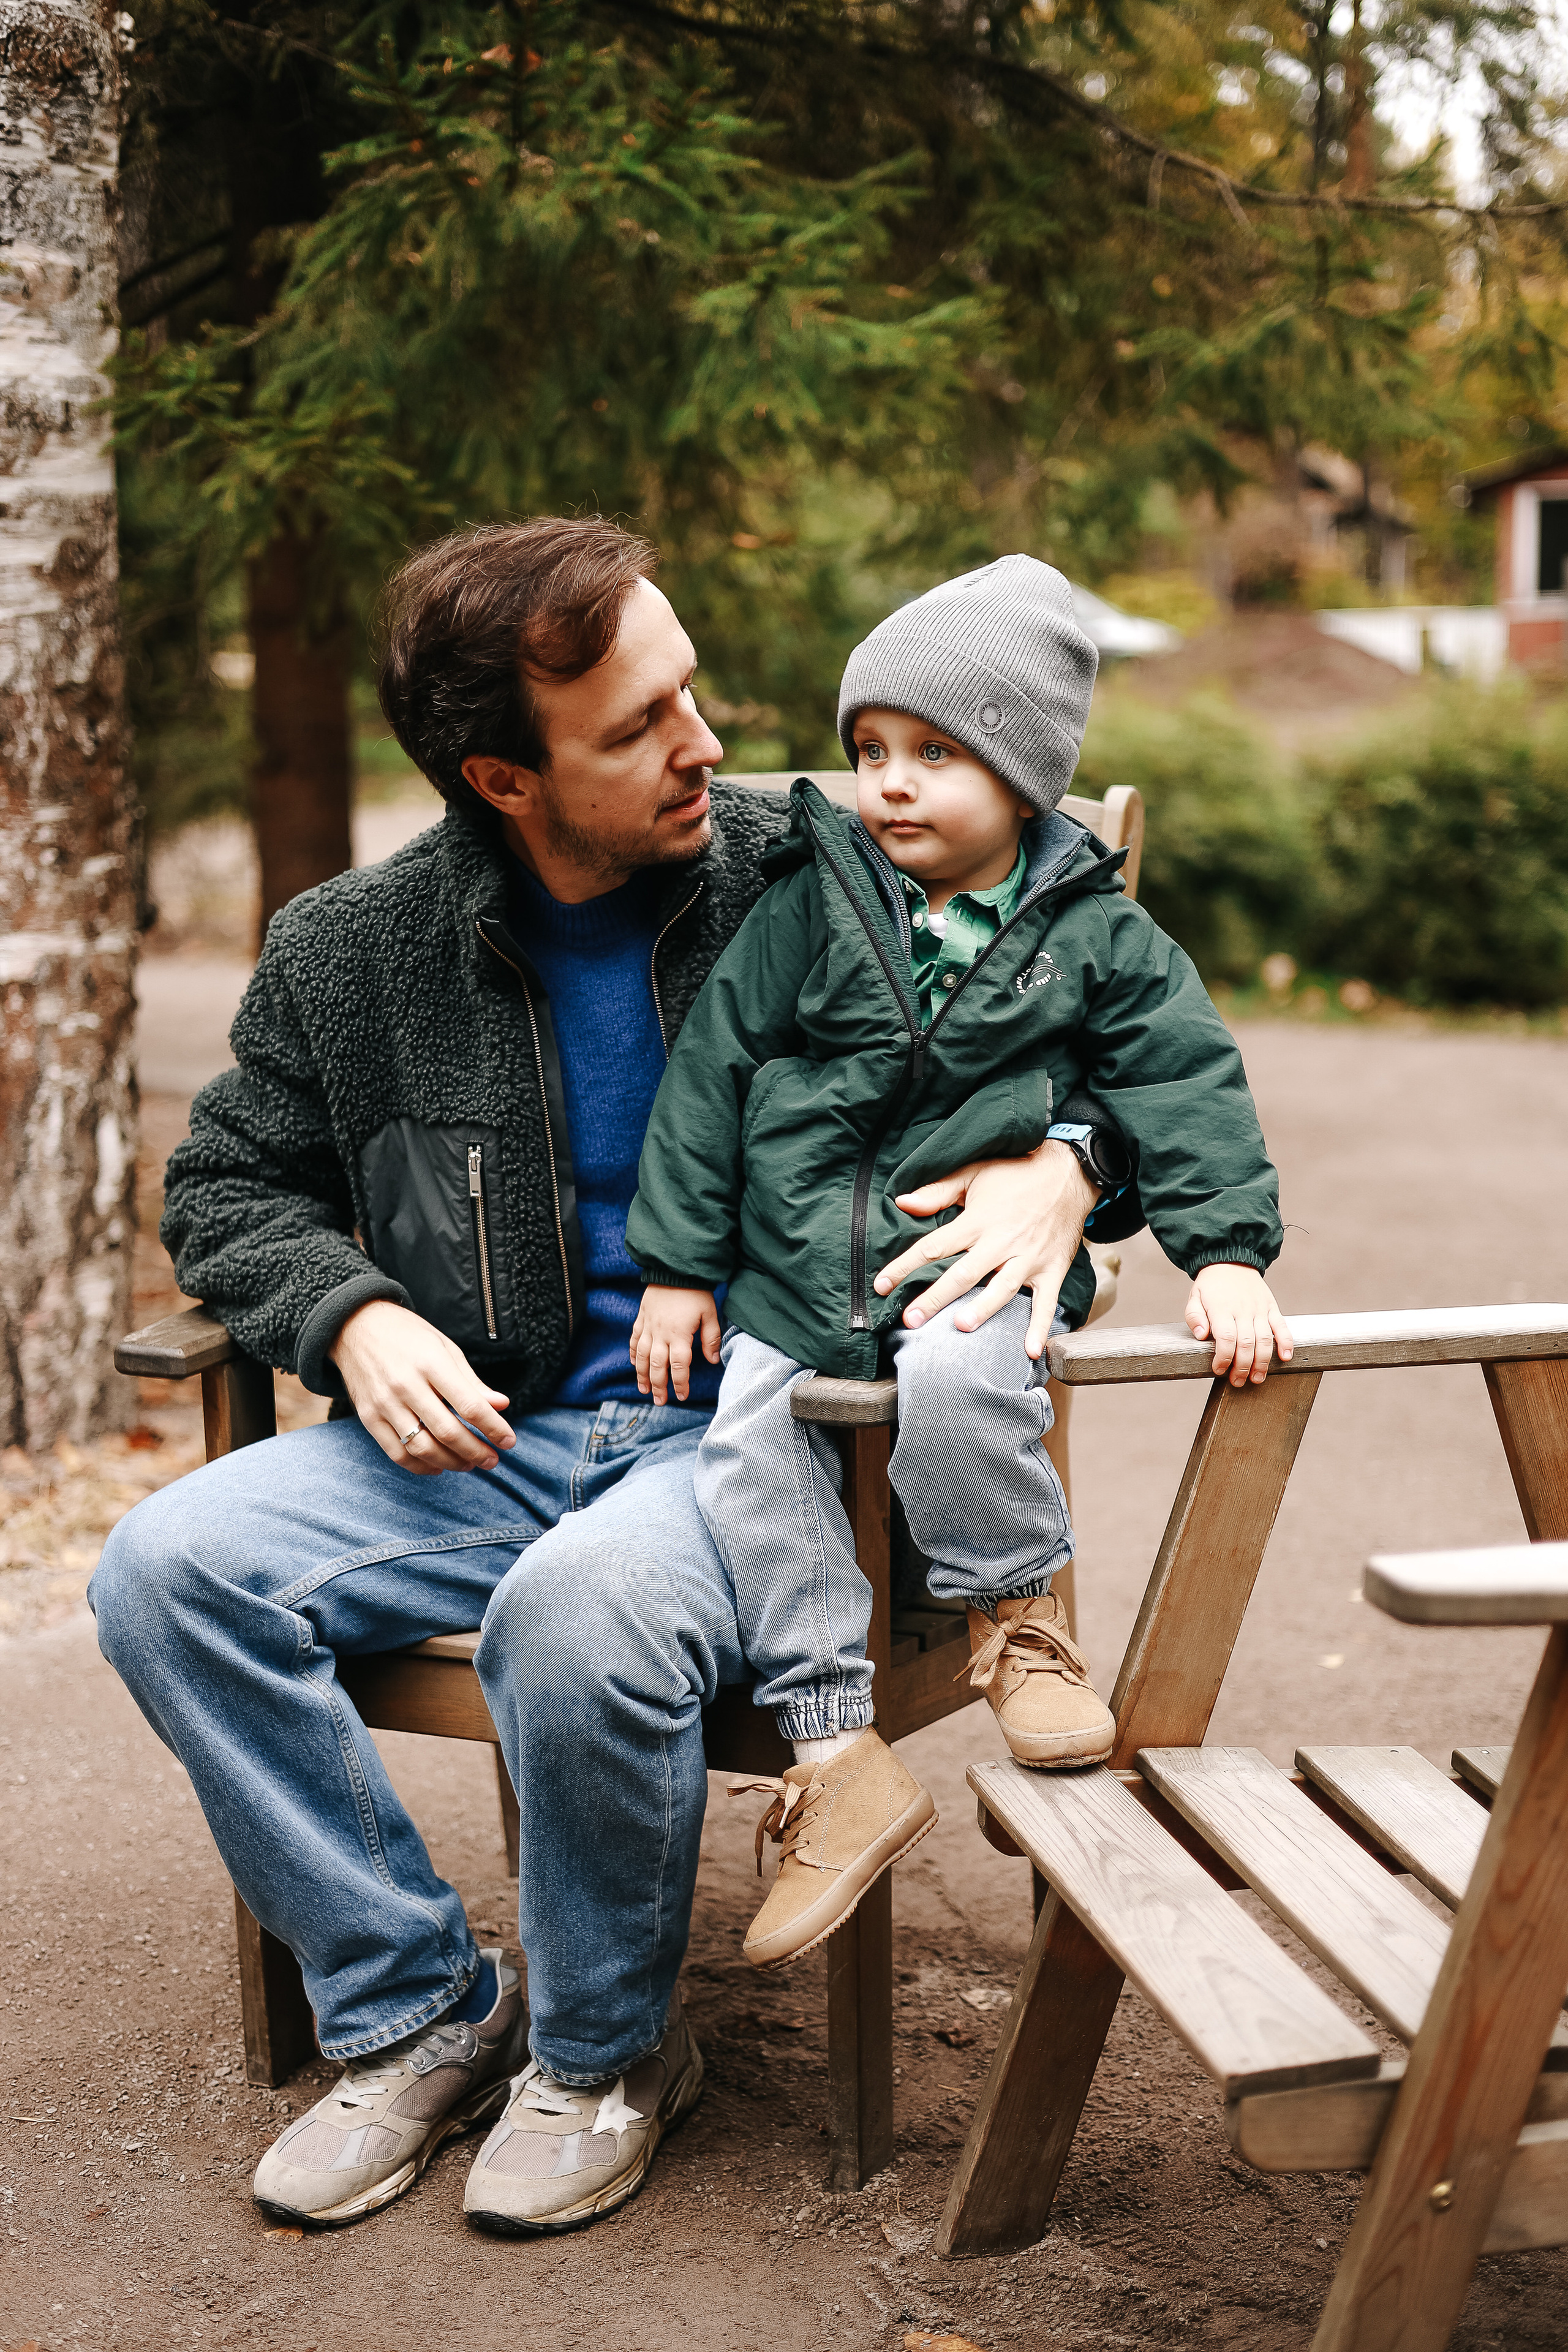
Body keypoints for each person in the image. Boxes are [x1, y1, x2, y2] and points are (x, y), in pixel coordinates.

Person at [88, 519, 1137, 2240]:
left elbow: (1104, 992)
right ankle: (423, 2006)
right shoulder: (352, 952)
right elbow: (225, 1192)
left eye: (693, 691)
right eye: (642, 723)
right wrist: (347, 1312)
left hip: (758, 1452)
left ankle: (604, 2057)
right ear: (504, 775)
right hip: (478, 1440)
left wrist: (1072, 1163)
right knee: (164, 1575)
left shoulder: (825, 871)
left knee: (575, 1612)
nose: (706, 743)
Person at [627, 556, 1292, 1972]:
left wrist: (1222, 1256)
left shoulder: (1097, 937)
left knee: (961, 1382)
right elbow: (709, 1072)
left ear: (1026, 772)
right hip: (795, 1259)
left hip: (967, 1259)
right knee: (743, 1443)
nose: (890, 784)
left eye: (937, 752)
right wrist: (681, 1267)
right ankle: (829, 1733)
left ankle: (1013, 1616)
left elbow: (1182, 1086)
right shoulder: (812, 903)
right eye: (871, 750)